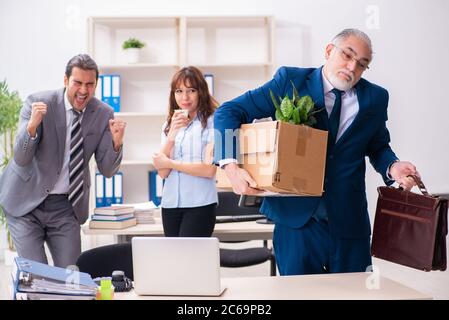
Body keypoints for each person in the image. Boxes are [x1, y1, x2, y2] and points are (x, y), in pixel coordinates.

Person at [213, 29, 420, 275]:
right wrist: (230, 166)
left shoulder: (375, 98)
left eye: (362, 64)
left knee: (353, 295)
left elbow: (377, 146)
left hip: (349, 222)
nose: (352, 67)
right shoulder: (289, 81)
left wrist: (393, 167)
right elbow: (228, 111)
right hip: (296, 222)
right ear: (329, 51)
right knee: (300, 295)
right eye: (347, 55)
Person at [0, 54, 126, 268]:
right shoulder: (38, 103)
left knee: (71, 278)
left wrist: (116, 142)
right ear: (66, 80)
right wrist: (32, 127)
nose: (84, 91)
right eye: (78, 83)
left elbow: (107, 170)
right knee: (38, 278)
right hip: (26, 203)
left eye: (90, 84)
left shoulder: (103, 113)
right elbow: (21, 158)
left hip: (66, 207)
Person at [152, 66, 219, 237]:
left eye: (191, 90)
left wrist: (171, 163)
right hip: (170, 205)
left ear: (201, 92)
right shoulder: (168, 125)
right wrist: (171, 136)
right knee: (174, 261)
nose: (185, 97)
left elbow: (208, 170)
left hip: (200, 205)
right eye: (179, 91)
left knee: (191, 260)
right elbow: (163, 172)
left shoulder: (213, 122)